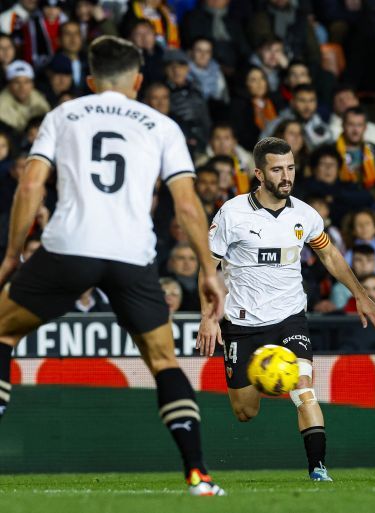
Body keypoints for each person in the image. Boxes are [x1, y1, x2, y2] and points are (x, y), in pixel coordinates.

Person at [0, 36, 226, 495]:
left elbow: (30, 187)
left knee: (2, 333)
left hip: (70, 247)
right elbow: (187, 204)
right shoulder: (161, 125)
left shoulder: (64, 115)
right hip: (132, 254)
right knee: (163, 361)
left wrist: (11, 254)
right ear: (138, 81)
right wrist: (208, 270)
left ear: (89, 80)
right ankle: (198, 475)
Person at [196, 137, 375, 483]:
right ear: (258, 173)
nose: (286, 176)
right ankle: (265, 375)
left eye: (291, 168)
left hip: (289, 319)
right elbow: (208, 268)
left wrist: (360, 294)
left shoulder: (304, 214)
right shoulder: (232, 214)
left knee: (303, 388)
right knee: (245, 412)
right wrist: (208, 319)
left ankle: (318, 469)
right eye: (277, 169)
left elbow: (329, 254)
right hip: (242, 323)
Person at [0, 60, 50, 134]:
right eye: (17, 82)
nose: (22, 87)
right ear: (9, 85)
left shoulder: (37, 96)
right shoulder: (2, 104)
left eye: (26, 82)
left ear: (32, 84)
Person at [336, 106, 375, 189]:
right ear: (342, 125)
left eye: (359, 125)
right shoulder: (332, 150)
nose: (355, 130)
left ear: (365, 127)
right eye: (351, 124)